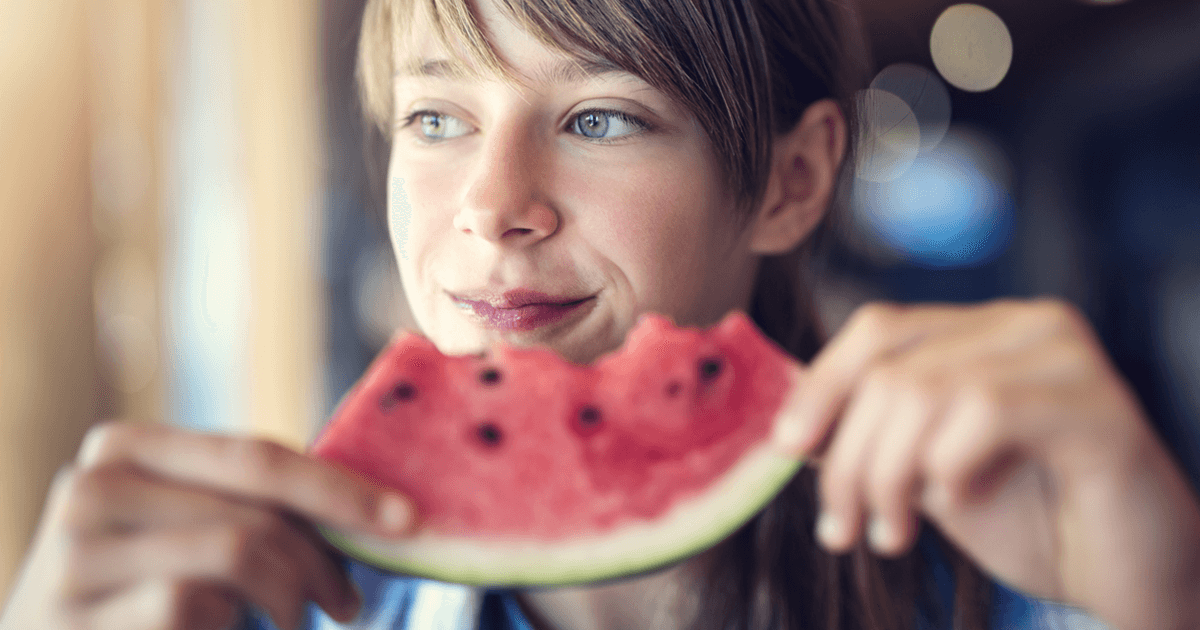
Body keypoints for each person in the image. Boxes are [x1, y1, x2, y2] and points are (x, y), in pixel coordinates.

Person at [4, 0, 1200, 628]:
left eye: (600, 119)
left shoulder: (1040, 592)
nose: (493, 204)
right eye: (436, 118)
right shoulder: (246, 609)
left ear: (790, 180)